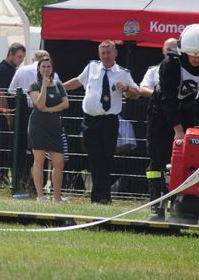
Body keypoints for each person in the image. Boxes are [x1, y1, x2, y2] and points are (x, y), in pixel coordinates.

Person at [145, 24, 199, 222]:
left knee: (186, 162)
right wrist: (177, 130)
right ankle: (156, 206)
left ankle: (181, 208)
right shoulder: (171, 63)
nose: (197, 59)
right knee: (157, 160)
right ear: (185, 50)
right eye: (193, 54)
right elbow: (168, 98)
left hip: (186, 111)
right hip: (160, 112)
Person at [63, 40, 139, 204]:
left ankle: (101, 196)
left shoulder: (123, 73)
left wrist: (125, 88)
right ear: (99, 54)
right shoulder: (92, 67)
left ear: (115, 54)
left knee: (106, 158)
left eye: (108, 52)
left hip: (109, 121)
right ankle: (101, 196)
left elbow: (136, 93)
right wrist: (60, 87)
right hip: (90, 121)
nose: (105, 56)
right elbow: (78, 81)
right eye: (103, 53)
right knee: (95, 158)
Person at [8, 49, 58, 194]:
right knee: (44, 153)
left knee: (23, 150)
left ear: (34, 58)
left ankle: (19, 183)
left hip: (25, 113)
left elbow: (12, 91)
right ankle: (38, 188)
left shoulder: (22, 70)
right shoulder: (54, 75)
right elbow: (59, 93)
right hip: (47, 112)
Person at [28, 56, 69, 202]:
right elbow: (39, 105)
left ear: (52, 69)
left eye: (49, 67)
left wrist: (50, 109)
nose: (46, 69)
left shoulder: (59, 85)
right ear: (39, 69)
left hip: (55, 128)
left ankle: (57, 198)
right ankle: (40, 196)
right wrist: (44, 86)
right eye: (43, 66)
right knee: (39, 160)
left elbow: (65, 104)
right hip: (38, 127)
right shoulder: (34, 85)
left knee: (59, 162)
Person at [0, 42, 26, 188]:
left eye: (23, 57)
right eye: (19, 57)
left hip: (7, 116)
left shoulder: (14, 69)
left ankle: (3, 182)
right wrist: (8, 116)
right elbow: (1, 95)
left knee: (7, 152)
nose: (21, 60)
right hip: (0, 117)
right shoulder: (2, 69)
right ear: (10, 54)